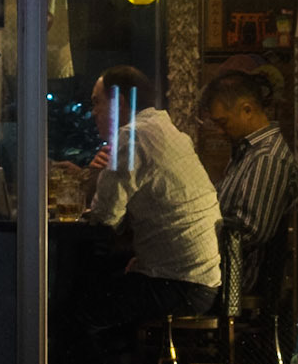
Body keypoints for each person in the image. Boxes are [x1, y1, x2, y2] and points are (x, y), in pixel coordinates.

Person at [80, 67, 221, 325]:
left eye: (97, 103)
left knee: (78, 303)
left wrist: (93, 175)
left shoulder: (132, 135)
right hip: (199, 281)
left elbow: (104, 217)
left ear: (119, 102)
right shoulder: (164, 129)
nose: (93, 112)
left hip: (179, 288)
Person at [200, 66, 298, 317]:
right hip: (223, 271)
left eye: (223, 123)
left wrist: (194, 240)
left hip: (236, 281)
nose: (221, 132)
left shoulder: (268, 159)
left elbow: (248, 231)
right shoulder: (247, 152)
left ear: (247, 109)